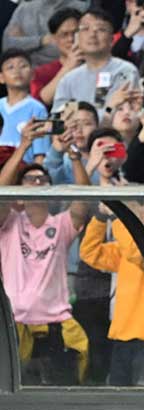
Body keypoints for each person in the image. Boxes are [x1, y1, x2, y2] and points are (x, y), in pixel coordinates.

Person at [0, 122, 92, 386]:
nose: (38, 181)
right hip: (12, 325)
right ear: (18, 191)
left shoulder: (61, 225)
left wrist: (74, 154)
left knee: (60, 403)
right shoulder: (9, 223)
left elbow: (85, 198)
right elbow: (0, 192)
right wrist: (25, 145)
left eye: (43, 179)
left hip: (57, 326)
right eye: (30, 179)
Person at [79, 189, 144, 387]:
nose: (140, 210)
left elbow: (139, 254)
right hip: (121, 336)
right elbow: (90, 252)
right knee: (119, 402)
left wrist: (119, 217)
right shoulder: (126, 246)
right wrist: (100, 218)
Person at [53, 9, 141, 112]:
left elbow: (123, 114)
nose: (92, 35)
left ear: (112, 40)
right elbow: (61, 116)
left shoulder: (124, 71)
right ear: (78, 37)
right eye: (85, 29)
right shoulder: (69, 80)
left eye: (100, 30)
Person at [0, 49, 52, 163]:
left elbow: (40, 154)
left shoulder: (38, 109)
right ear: (1, 78)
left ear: (32, 74)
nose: (17, 71)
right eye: (10, 67)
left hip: (22, 173)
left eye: (23, 66)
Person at [2, 0, 89, 68]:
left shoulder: (82, 8)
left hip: (74, 68)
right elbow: (8, 46)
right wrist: (41, 41)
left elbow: (87, 44)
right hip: (29, 77)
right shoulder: (24, 9)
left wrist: (25, 43)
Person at [30, 8, 84, 107]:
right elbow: (38, 104)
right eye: (64, 35)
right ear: (54, 38)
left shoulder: (99, 66)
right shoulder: (41, 73)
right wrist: (68, 68)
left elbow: (103, 103)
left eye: (76, 33)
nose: (71, 39)